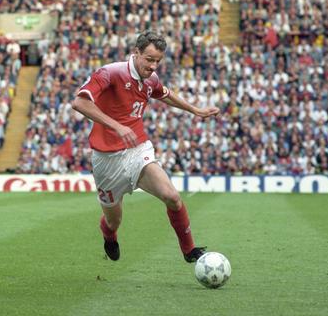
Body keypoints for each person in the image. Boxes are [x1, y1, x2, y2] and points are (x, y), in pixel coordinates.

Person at [71, 30, 220, 263]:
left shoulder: (151, 78)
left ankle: (189, 250)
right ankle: (109, 235)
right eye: (149, 59)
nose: (153, 66)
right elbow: (79, 102)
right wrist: (117, 127)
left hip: (137, 150)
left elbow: (165, 94)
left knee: (172, 196)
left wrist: (196, 110)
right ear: (136, 53)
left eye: (158, 61)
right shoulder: (110, 72)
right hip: (106, 159)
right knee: (113, 220)